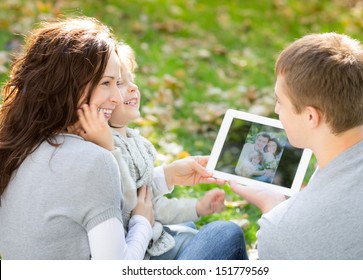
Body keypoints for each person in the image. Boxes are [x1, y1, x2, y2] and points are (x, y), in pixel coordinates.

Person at [0, 17, 243, 260]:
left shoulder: (17, 142)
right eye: (107, 83)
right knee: (225, 232)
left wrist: (166, 177)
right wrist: (142, 223)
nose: (117, 97)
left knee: (181, 229)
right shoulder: (94, 159)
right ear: (70, 86)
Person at [76, 42, 248, 260]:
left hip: (147, 236)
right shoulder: (103, 144)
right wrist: (111, 150)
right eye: (118, 83)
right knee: (226, 233)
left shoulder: (136, 142)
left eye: (132, 80)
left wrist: (195, 205)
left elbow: (149, 203)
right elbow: (131, 203)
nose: (132, 88)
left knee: (187, 225)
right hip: (138, 251)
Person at [231, 32, 363, 259]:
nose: (276, 110)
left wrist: (273, 208)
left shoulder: (281, 230)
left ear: (310, 117)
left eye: (279, 101)